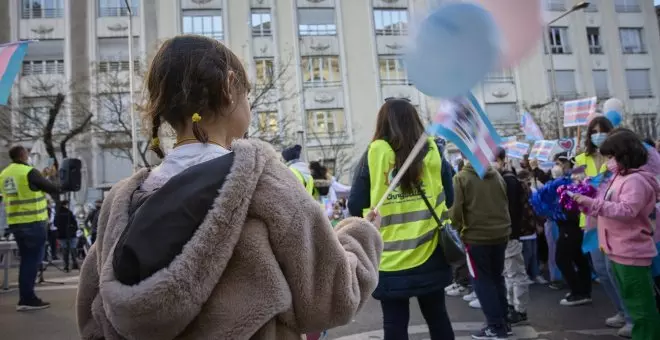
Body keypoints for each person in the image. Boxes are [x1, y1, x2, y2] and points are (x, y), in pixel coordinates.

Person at [76, 35, 383, 340]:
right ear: (228, 85)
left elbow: (93, 322)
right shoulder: (265, 182)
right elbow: (331, 298)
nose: (247, 103)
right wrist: (360, 236)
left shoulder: (119, 205)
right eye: (246, 93)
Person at [348, 99, 455, 340]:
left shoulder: (373, 155)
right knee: (438, 316)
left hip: (388, 256)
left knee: (395, 324)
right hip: (431, 250)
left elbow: (355, 204)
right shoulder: (434, 152)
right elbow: (449, 198)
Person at [573, 129, 660, 339]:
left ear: (624, 154)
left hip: (631, 252)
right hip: (616, 249)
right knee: (632, 302)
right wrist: (587, 204)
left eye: (611, 156)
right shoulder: (619, 177)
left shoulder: (635, 181)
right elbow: (607, 205)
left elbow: (627, 211)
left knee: (642, 310)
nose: (608, 161)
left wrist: (593, 204)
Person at [575, 117, 631, 332]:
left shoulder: (621, 158)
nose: (598, 135)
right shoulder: (580, 159)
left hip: (613, 218)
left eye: (603, 131)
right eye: (594, 131)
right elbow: (577, 189)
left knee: (616, 269)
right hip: (591, 221)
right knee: (601, 269)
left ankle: (631, 315)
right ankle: (621, 310)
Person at [450, 158, 511, 339]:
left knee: (482, 281)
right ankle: (504, 322)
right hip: (500, 234)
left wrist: (456, 228)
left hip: (476, 237)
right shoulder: (497, 176)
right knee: (497, 278)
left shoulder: (461, 178)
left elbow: (456, 211)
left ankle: (495, 325)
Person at [0, 145, 59, 311]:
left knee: (26, 260)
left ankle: (26, 296)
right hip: (33, 222)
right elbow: (52, 188)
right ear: (23, 155)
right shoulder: (28, 171)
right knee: (32, 261)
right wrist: (51, 177)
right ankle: (27, 298)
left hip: (15, 223)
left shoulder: (4, 174)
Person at [548, 152, 593, 307]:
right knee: (578, 258)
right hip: (567, 224)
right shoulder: (563, 181)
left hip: (571, 224)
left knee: (562, 258)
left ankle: (578, 291)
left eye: (561, 163)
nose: (557, 166)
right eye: (556, 163)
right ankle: (583, 290)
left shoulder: (575, 180)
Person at [494, 148, 532, 326]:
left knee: (515, 272)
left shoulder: (508, 181)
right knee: (507, 273)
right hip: (502, 234)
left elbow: (510, 210)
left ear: (502, 160)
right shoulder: (499, 179)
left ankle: (520, 309)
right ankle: (510, 306)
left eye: (494, 160)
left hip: (510, 233)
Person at [517, 170, 547, 285]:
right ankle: (524, 275)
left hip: (532, 225)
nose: (529, 181)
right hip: (523, 228)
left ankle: (535, 274)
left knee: (534, 252)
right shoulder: (518, 192)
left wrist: (538, 223)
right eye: (527, 179)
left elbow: (535, 209)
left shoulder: (533, 191)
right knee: (526, 253)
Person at [54, 200, 79, 272]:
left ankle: (66, 265)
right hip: (71, 234)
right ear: (66, 204)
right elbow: (74, 223)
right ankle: (75, 264)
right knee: (73, 248)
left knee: (65, 250)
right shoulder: (69, 212)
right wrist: (74, 230)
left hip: (61, 235)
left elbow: (55, 224)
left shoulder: (58, 213)